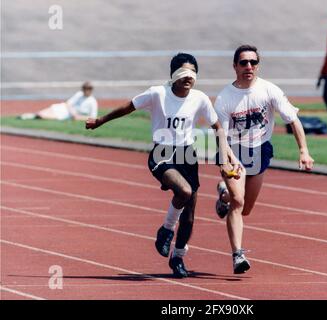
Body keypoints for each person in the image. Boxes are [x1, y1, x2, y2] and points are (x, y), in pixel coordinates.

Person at [85, 53, 236, 278]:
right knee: (183, 191)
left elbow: (219, 129)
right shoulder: (158, 93)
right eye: (184, 73)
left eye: (193, 74)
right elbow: (128, 107)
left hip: (187, 155)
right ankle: (166, 229)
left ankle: (178, 257)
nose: (189, 78)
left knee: (190, 214)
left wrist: (223, 160)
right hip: (162, 153)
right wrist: (100, 121)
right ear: (173, 75)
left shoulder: (200, 99)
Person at [214, 45, 314, 274]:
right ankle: (237, 255)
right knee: (238, 203)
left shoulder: (269, 90)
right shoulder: (225, 98)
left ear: (258, 65)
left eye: (253, 62)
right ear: (235, 66)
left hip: (259, 150)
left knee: (246, 208)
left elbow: (293, 120)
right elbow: (220, 135)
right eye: (243, 62)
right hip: (232, 149)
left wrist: (303, 151)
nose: (248, 66)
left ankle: (223, 195)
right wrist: (229, 158)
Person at [19, 82, 98, 121]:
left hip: (66, 115)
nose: (87, 91)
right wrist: (73, 113)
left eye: (89, 89)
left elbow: (93, 117)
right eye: (85, 89)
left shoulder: (92, 101)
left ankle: (29, 117)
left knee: (43, 116)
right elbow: (68, 103)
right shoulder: (79, 94)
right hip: (63, 108)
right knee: (41, 112)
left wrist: (79, 117)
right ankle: (26, 116)